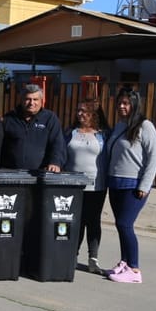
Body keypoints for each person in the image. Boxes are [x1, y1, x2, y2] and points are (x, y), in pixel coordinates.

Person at [105, 88, 156, 283]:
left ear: (135, 104)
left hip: (134, 185)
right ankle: (125, 262)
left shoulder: (145, 126)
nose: (121, 106)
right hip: (115, 183)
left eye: (126, 103)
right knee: (120, 226)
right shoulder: (120, 125)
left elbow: (154, 158)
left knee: (125, 224)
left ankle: (135, 270)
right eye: (120, 102)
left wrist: (145, 185)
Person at [64, 99, 110, 274]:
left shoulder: (103, 134)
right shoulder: (70, 132)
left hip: (96, 185)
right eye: (78, 110)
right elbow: (61, 153)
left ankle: (93, 258)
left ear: (94, 115)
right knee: (76, 221)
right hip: (72, 185)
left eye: (84, 111)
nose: (80, 114)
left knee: (93, 221)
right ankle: (72, 255)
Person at [1, 83, 65, 171]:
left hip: (40, 174)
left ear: (41, 101)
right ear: (21, 100)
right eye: (28, 99)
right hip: (11, 174)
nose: (31, 103)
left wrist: (55, 162)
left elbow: (57, 144)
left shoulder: (50, 118)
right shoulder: (9, 119)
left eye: (35, 99)